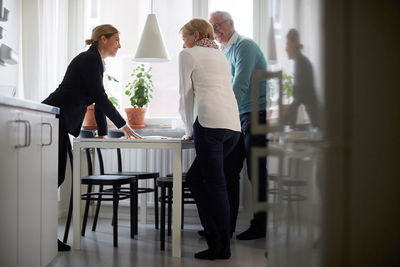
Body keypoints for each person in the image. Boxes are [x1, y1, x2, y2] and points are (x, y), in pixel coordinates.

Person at [42, 24, 141, 251]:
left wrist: (103, 133)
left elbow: (95, 99)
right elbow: (100, 97)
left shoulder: (96, 60)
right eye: (116, 39)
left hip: (58, 120)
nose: (120, 45)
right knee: (53, 179)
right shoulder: (90, 60)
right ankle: (45, 235)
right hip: (52, 118)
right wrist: (123, 125)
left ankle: (45, 235)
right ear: (103, 39)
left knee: (55, 178)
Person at [178, 18, 241, 260]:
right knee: (196, 178)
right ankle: (215, 234)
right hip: (232, 128)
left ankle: (221, 246)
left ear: (194, 36)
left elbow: (184, 94)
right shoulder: (220, 55)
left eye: (184, 37)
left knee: (215, 186)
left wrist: (188, 129)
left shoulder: (189, 54)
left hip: (210, 125)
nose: (183, 43)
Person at [209, 11, 268, 240]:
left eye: (218, 26)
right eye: (212, 28)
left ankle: (261, 226)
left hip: (255, 115)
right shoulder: (225, 51)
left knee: (256, 172)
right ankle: (226, 226)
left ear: (231, 24)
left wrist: (221, 113)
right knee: (228, 169)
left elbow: (240, 85)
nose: (215, 33)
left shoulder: (245, 46)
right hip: (238, 115)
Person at [283, 28, 319, 128]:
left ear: (294, 43)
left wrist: (284, 120)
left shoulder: (302, 64)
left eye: (287, 44)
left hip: (315, 119)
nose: (286, 48)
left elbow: (299, 96)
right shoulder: (300, 62)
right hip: (315, 118)